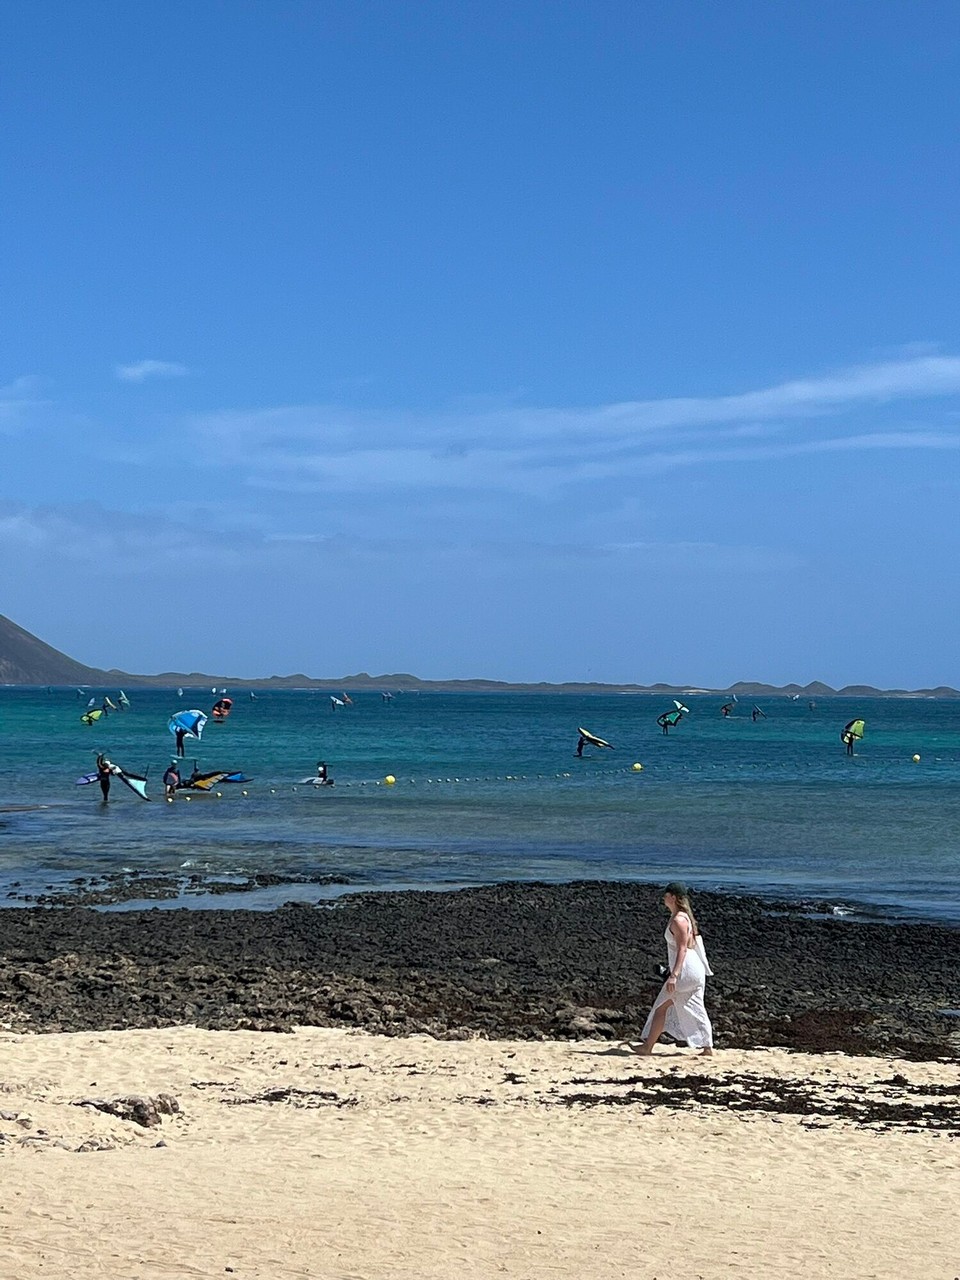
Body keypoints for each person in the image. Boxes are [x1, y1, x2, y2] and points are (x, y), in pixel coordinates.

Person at [630, 881, 714, 1056]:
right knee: (697, 1006)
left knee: (661, 1007)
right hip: (694, 969)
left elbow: (682, 948)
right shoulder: (684, 917)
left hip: (686, 969)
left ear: (673, 897)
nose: (663, 898)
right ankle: (707, 1047)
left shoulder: (678, 920)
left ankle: (647, 1047)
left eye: (666, 895)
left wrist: (673, 975)